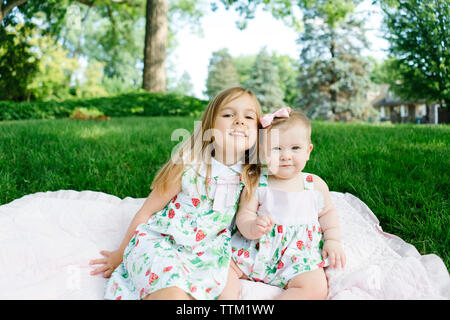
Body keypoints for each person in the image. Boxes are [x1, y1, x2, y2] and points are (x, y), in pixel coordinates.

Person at [89, 86, 262, 300]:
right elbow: (147, 210)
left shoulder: (251, 177)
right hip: (165, 241)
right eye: (228, 114)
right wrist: (121, 252)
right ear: (209, 126)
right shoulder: (188, 165)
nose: (239, 121)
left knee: (227, 293)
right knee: (172, 293)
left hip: (209, 252)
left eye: (249, 117)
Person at [224, 107, 346, 300]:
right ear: (263, 153)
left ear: (308, 151)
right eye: (276, 149)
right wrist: (252, 227)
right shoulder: (257, 182)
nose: (286, 156)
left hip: (297, 256)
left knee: (315, 288)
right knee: (222, 268)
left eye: (295, 148)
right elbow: (244, 215)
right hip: (256, 249)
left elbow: (328, 214)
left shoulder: (314, 184)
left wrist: (332, 240)